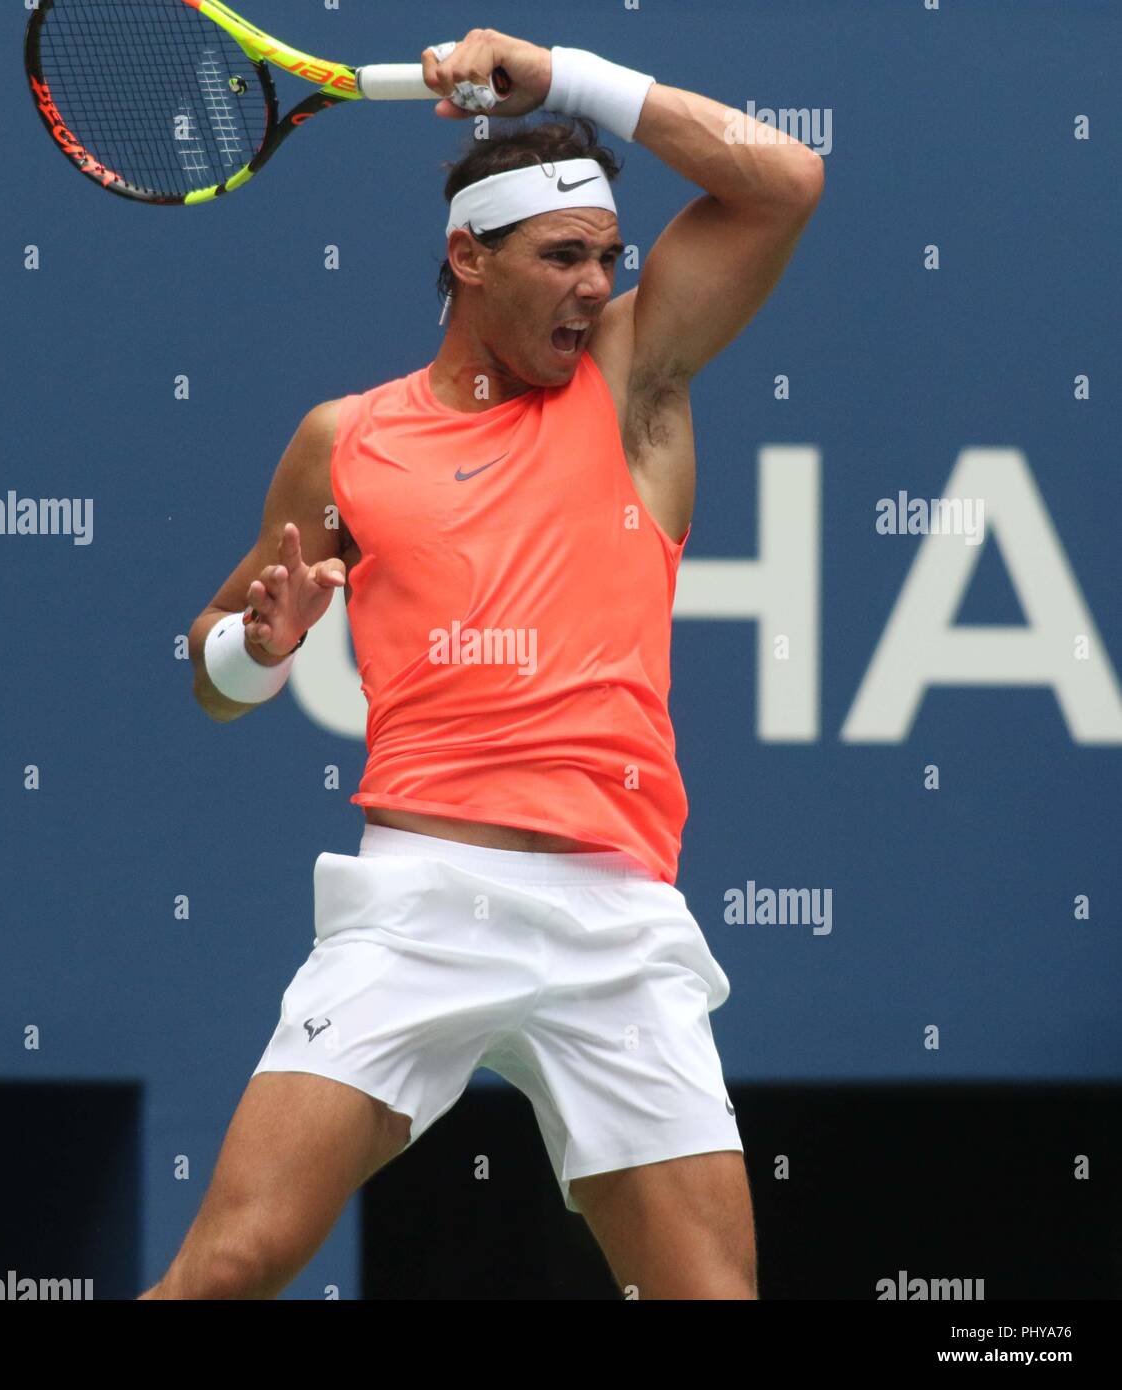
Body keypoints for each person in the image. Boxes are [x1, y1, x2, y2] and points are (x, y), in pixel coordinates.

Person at [141, 29, 823, 1300]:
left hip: (618, 916)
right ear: (468, 257)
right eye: (562, 256)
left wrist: (566, 76)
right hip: (420, 905)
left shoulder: (634, 378)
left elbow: (781, 178)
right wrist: (257, 646)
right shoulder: (346, 439)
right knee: (227, 1268)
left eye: (608, 257)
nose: (594, 285)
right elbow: (208, 669)